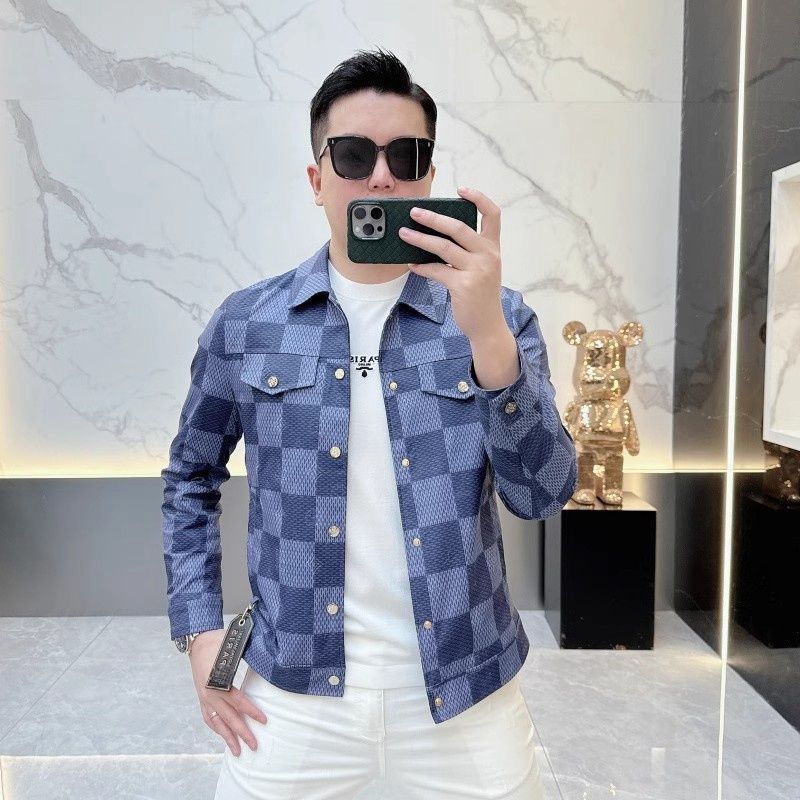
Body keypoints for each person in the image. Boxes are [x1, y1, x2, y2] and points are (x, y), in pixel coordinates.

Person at [161, 47, 577, 800]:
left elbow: (543, 495)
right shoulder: (249, 323)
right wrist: (199, 631)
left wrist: (488, 339)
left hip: (468, 692)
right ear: (317, 179)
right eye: (354, 155)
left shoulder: (499, 317)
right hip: (291, 695)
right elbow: (189, 479)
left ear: (428, 175)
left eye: (406, 156)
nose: (381, 177)